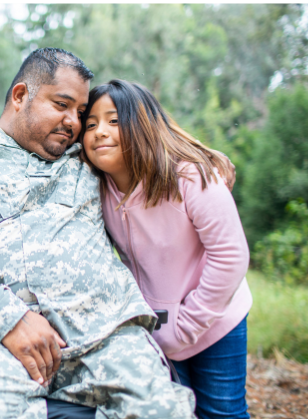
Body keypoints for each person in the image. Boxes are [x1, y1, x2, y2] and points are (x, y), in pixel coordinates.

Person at [0, 48, 196, 419]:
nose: (74, 122)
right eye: (62, 104)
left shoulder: (88, 155)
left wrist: (205, 159)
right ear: (20, 96)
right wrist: (6, 315)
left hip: (104, 335)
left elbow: (149, 142)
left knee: (164, 411)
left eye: (81, 112)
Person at [82, 79, 251, 419]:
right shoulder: (94, 187)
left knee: (222, 411)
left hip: (214, 317)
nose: (100, 131)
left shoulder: (191, 176)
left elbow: (231, 256)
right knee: (177, 410)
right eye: (91, 124)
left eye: (114, 121)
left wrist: (186, 327)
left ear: (142, 124)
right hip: (158, 327)